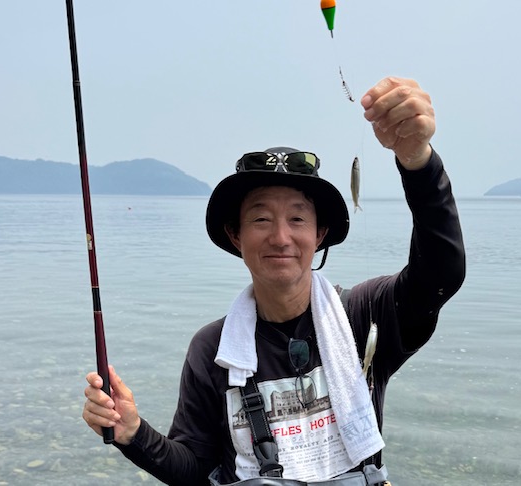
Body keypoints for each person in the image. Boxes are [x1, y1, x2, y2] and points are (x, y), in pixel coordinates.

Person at [82, 76, 466, 486]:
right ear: (236, 235)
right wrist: (133, 434)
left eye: (297, 218)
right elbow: (194, 468)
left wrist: (418, 162)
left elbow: (440, 274)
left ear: (319, 235)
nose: (281, 237)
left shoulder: (363, 315)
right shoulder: (212, 351)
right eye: (261, 219)